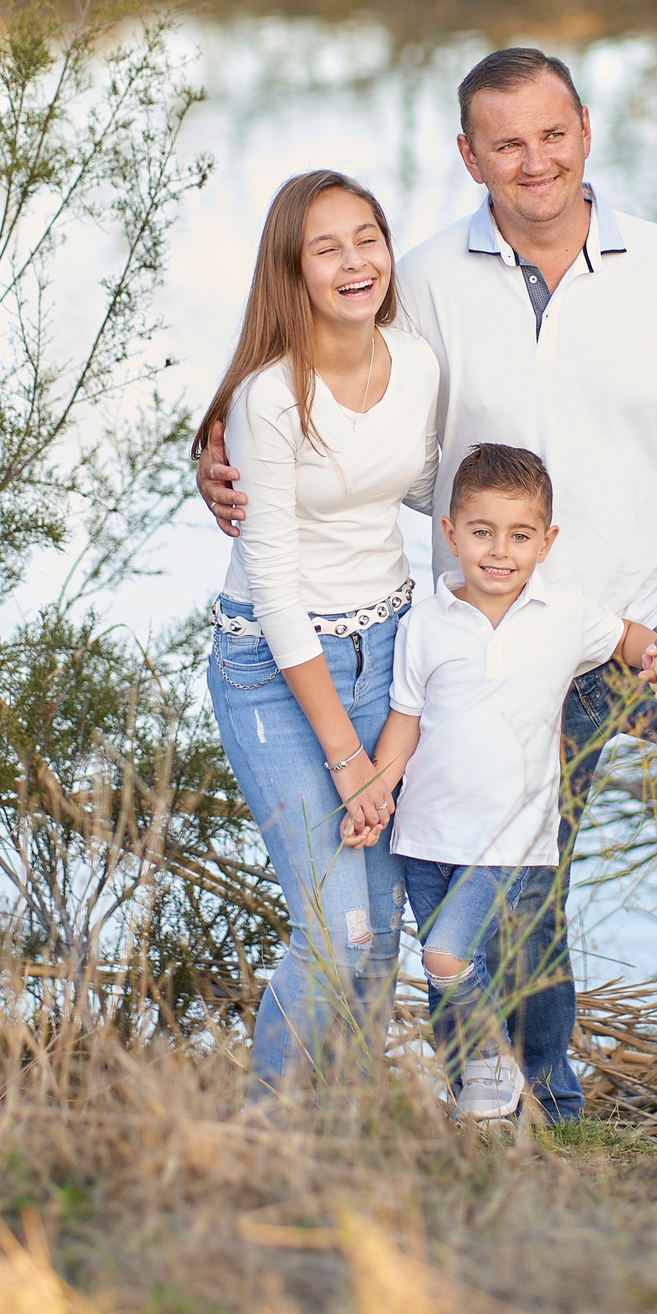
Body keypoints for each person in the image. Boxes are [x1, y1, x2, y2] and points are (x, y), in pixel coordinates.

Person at [202, 49, 657, 1136]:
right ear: (468, 156)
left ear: (585, 129)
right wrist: (219, 461)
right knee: (518, 886)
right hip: (498, 642)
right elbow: (312, 378)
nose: (533, 161)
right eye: (505, 143)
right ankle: (542, 1102)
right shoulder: (424, 277)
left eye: (551, 134)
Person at [361, 443, 657, 1121]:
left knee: (447, 955)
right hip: (425, 835)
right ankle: (484, 1112)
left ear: (547, 541)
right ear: (451, 533)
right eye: (481, 532)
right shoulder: (423, 624)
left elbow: (630, 638)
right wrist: (374, 791)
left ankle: (501, 1084)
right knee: (444, 976)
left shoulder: (565, 612)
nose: (499, 551)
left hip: (509, 838)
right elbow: (405, 721)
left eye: (519, 536)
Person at [200, 168, 437, 1103]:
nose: (355, 262)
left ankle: (338, 1140)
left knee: (377, 928)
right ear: (292, 270)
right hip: (273, 663)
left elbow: (413, 485)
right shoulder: (268, 398)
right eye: (326, 246)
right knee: (336, 927)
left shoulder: (414, 362)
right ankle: (266, 1143)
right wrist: (352, 760)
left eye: (368, 237)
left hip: (385, 647)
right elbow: (277, 584)